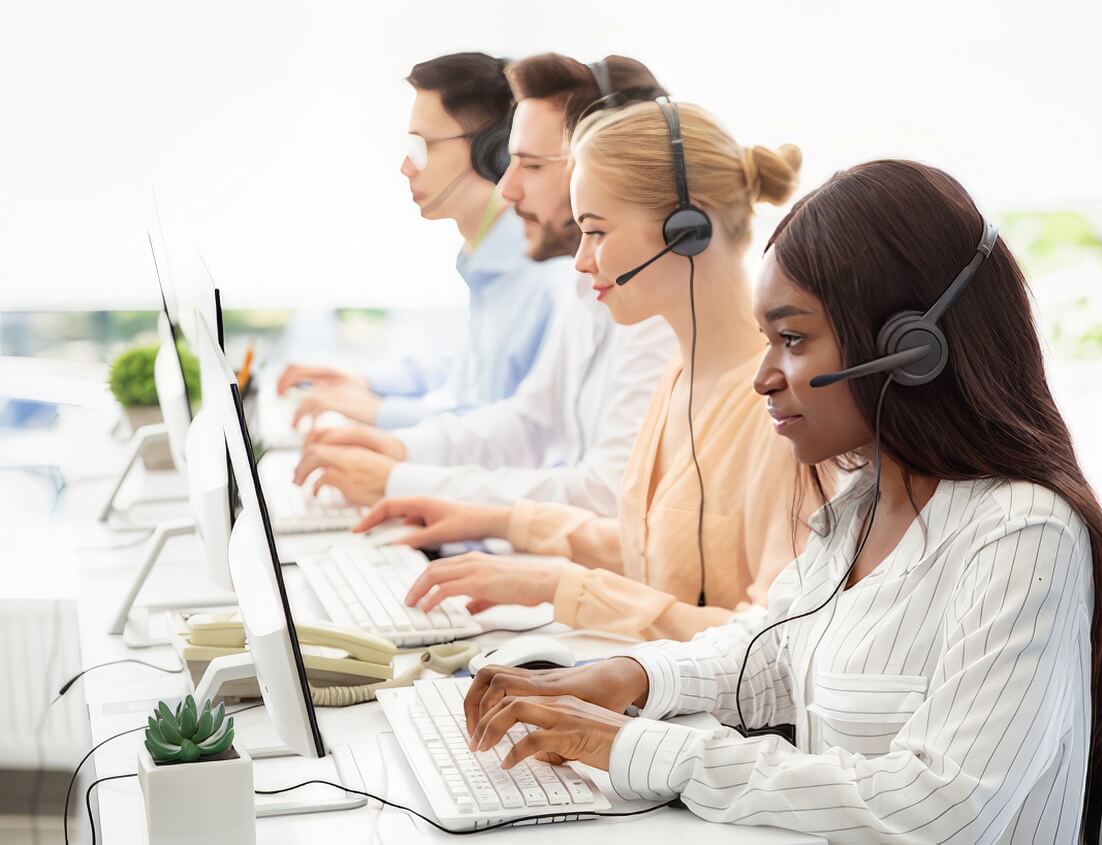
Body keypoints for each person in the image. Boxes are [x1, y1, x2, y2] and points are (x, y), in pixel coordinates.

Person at [455, 160, 1102, 844]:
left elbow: (939, 803)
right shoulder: (865, 497)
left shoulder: (1023, 532)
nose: (763, 377)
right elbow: (774, 651)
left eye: (793, 338)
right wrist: (623, 676)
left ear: (909, 348)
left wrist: (634, 748)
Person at [356, 100, 822, 642]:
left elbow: (772, 641)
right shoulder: (678, 376)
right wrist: (503, 527)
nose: (580, 260)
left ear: (686, 230)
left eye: (596, 232)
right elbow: (658, 552)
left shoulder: (781, 412)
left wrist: (565, 589)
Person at [293, 54, 675, 514]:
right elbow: (528, 422)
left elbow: (605, 495)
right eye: (510, 162)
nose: (507, 188)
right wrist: (399, 452)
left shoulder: (652, 311)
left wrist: (400, 478)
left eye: (531, 166)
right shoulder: (583, 290)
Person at [276, 52, 566, 429]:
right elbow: (465, 370)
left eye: (424, 146)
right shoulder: (487, 262)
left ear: (492, 151)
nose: (406, 166)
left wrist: (376, 413)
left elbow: (492, 423)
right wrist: (366, 384)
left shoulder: (540, 276)